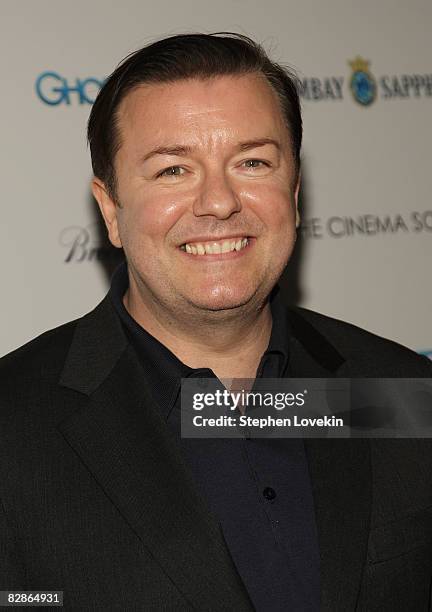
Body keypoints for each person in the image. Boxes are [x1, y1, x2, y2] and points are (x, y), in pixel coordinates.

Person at [1, 33, 431, 612]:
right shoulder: (13, 426)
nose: (220, 202)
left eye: (252, 162)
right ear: (111, 210)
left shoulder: (401, 392)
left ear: (295, 191)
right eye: (174, 170)